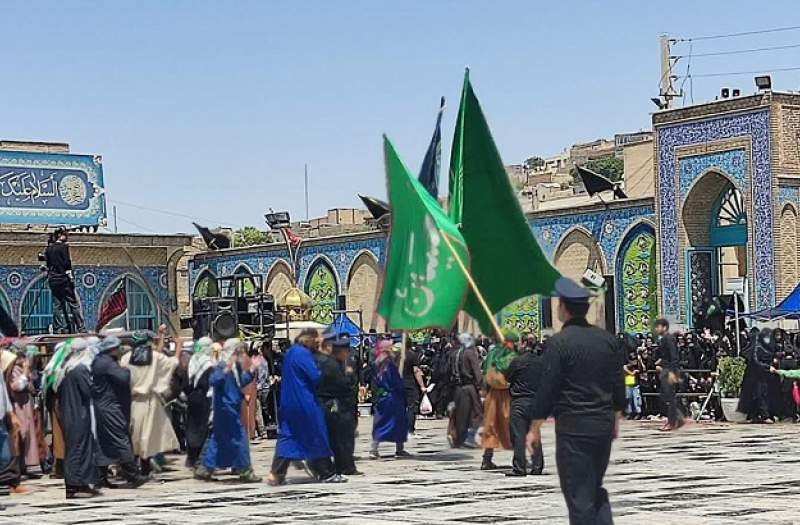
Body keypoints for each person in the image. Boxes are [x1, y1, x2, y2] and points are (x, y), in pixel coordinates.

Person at [527, 277, 625, 525]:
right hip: (602, 426)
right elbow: (618, 387)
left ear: (563, 308)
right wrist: (614, 421)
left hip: (574, 429)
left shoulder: (559, 343)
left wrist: (534, 427)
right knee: (594, 488)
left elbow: (548, 389)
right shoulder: (607, 340)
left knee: (579, 494)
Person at [268, 329, 338, 485]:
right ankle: (326, 472)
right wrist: (322, 357)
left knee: (289, 436)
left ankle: (276, 473)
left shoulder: (291, 352)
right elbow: (315, 376)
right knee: (315, 433)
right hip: (304, 401)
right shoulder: (303, 354)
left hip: (288, 401)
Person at [195, 339, 261, 483]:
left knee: (218, 439)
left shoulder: (235, 367)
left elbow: (240, 382)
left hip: (230, 407)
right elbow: (214, 380)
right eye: (240, 352)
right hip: (226, 408)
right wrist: (226, 369)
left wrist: (252, 369)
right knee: (241, 438)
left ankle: (205, 468)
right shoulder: (222, 365)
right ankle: (245, 470)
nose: (242, 355)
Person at [120, 328, 181, 475]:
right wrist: (178, 346)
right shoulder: (154, 357)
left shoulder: (126, 358)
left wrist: (161, 336)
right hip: (150, 402)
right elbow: (171, 363)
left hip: (133, 401)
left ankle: (134, 469)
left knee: (135, 436)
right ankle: (144, 469)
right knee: (147, 437)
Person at [92, 336, 147, 488]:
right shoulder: (108, 363)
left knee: (104, 442)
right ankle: (133, 475)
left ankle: (100, 478)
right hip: (110, 407)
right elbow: (124, 378)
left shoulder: (99, 360)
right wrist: (127, 370)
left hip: (102, 406)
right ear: (112, 349)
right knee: (120, 438)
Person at [57, 338, 100, 498]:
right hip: (78, 414)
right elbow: (89, 390)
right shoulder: (79, 369)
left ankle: (82, 483)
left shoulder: (66, 368)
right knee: (77, 449)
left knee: (79, 448)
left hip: (71, 413)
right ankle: (73, 485)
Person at [317, 333, 359, 477]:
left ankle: (343, 466)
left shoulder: (334, 362)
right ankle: (343, 467)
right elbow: (343, 386)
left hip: (339, 405)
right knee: (341, 439)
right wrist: (349, 377)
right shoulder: (332, 365)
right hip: (336, 406)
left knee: (340, 438)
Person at [504, 334, 544, 477]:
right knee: (535, 434)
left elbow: (507, 377)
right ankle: (537, 466)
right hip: (536, 401)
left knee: (519, 435)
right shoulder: (541, 361)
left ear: (525, 343)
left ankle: (519, 467)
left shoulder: (518, 361)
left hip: (520, 401)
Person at [480, 329, 518, 470]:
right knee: (513, 426)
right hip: (507, 394)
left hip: (493, 395)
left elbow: (484, 372)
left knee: (491, 425)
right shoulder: (510, 355)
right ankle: (520, 458)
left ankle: (487, 459)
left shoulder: (491, 353)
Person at [369, 340, 409, 460]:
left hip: (382, 397)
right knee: (396, 422)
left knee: (381, 422)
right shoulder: (388, 366)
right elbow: (396, 383)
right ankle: (398, 449)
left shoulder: (376, 364)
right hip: (392, 398)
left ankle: (375, 448)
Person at [44, 227, 85, 334]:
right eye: (65, 235)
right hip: (63, 279)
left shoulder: (49, 249)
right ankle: (81, 328)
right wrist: (70, 277)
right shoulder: (64, 247)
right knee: (73, 303)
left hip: (53, 280)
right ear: (59, 235)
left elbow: (48, 265)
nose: (66, 237)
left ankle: (57, 329)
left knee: (57, 305)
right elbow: (67, 262)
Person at [447, 333, 483, 448]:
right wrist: (481, 386)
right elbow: (477, 372)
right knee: (477, 413)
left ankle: (458, 439)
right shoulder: (470, 353)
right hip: (469, 387)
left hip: (457, 388)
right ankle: (469, 438)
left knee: (460, 415)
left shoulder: (453, 354)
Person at [0, 348, 28, 495]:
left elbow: (3, 393)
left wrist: (11, 414)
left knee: (6, 451)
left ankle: (8, 482)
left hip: (2, 415)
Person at [184, 337, 215, 468]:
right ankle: (198, 459)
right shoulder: (208, 363)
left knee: (191, 426)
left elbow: (187, 380)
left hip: (192, 397)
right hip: (203, 398)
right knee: (202, 428)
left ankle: (191, 457)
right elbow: (209, 383)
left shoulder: (193, 359)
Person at [738, 328, 775, 424]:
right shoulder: (756, 347)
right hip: (755, 376)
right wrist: (768, 367)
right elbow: (756, 361)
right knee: (759, 395)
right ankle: (763, 415)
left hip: (757, 376)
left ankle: (754, 415)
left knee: (757, 395)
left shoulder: (757, 346)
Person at [654, 318, 685, 431]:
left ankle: (672, 422)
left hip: (669, 371)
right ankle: (677, 418)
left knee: (669, 397)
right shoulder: (663, 340)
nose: (656, 329)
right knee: (666, 397)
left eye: (658, 327)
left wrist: (672, 372)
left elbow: (674, 358)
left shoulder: (669, 339)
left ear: (664, 327)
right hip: (665, 369)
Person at [401, 342, 425, 438]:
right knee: (412, 407)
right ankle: (409, 431)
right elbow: (416, 371)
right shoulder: (412, 355)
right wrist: (422, 386)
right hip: (410, 383)